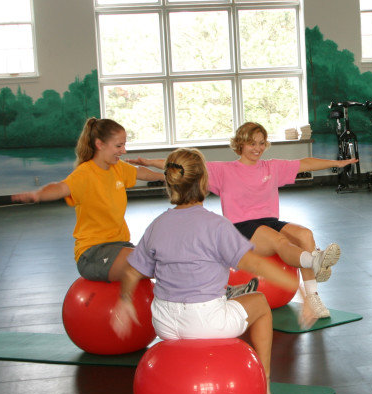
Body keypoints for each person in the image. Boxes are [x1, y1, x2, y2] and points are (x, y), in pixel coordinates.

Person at [111, 148, 317, 394]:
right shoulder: (217, 225)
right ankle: (265, 380)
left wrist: (124, 302)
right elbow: (259, 266)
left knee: (222, 293)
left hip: (162, 322)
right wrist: (305, 297)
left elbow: (132, 272)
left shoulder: (157, 224)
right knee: (260, 303)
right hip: (205, 321)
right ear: (204, 182)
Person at [131, 122, 358, 318]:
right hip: (241, 227)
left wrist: (336, 164)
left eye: (261, 143)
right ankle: (314, 261)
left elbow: (305, 163)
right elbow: (183, 166)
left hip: (269, 221)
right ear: (240, 144)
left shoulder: (271, 167)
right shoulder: (223, 171)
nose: (258, 148)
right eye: (252, 143)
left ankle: (313, 297)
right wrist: (150, 162)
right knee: (280, 242)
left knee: (305, 234)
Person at [11, 118, 165, 282]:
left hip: (120, 245)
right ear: (100, 144)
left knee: (160, 262)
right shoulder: (85, 174)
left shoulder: (118, 168)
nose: (124, 151)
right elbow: (61, 188)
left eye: (124, 145)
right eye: (119, 146)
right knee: (154, 265)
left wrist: (165, 177)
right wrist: (38, 195)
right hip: (93, 252)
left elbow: (140, 172)